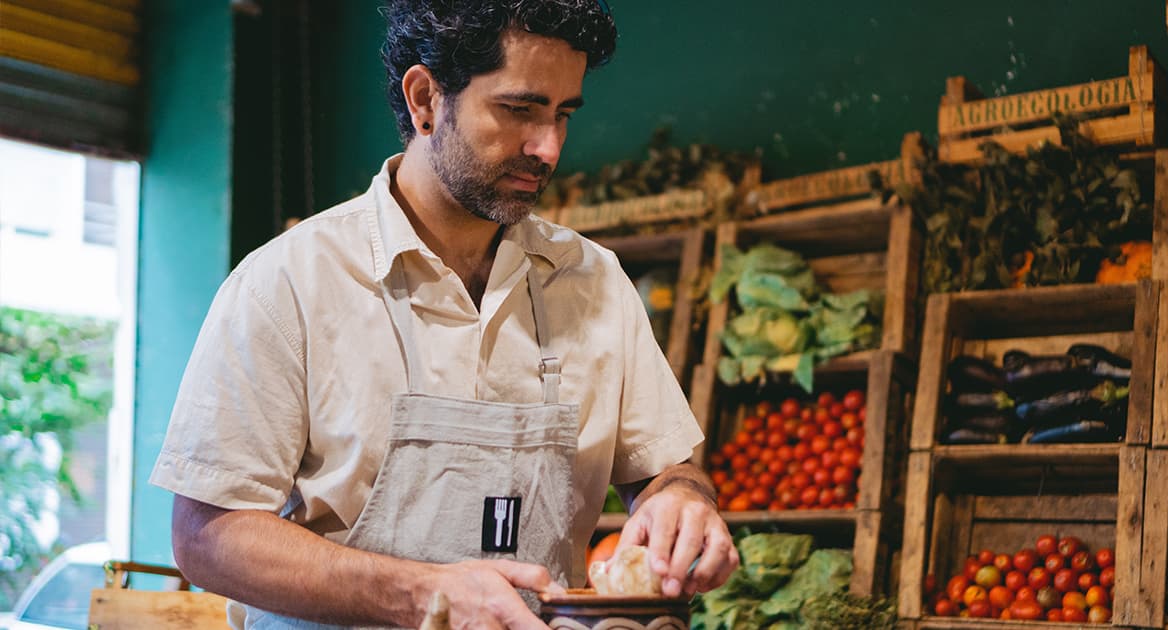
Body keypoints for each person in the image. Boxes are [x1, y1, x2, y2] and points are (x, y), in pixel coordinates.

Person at [150, 1, 738, 628]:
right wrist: (418, 593)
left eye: (564, 114)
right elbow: (207, 537)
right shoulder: (287, 284)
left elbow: (662, 469)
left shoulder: (594, 282)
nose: (549, 148)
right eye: (520, 110)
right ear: (425, 99)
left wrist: (682, 499)